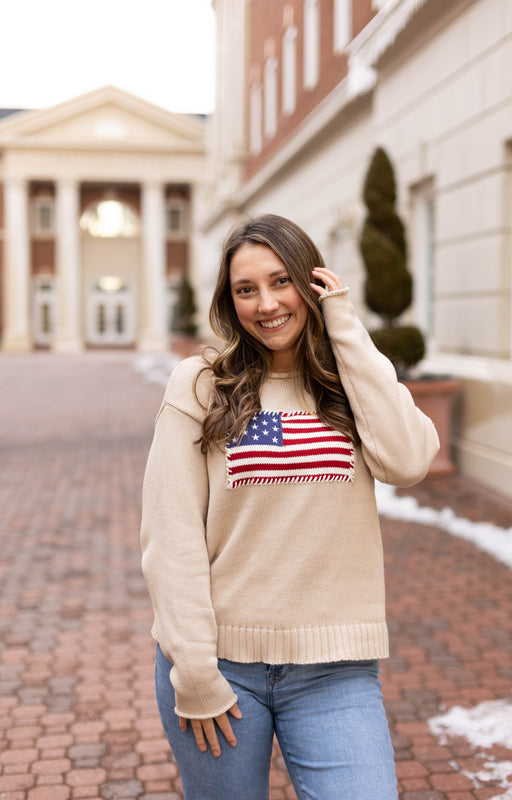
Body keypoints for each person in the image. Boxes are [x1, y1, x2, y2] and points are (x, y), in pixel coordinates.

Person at [140, 213, 439, 800]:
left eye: (281, 282)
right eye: (245, 289)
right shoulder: (201, 383)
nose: (266, 304)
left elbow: (407, 461)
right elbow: (170, 533)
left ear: (310, 284)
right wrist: (195, 672)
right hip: (222, 663)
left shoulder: (349, 382)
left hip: (335, 669)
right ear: (230, 303)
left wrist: (345, 327)